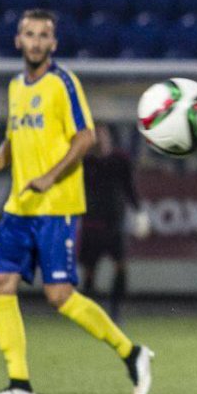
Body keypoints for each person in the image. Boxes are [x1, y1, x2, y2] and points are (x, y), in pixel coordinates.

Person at [0, 9, 153, 394]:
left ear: (53, 44)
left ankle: (131, 352)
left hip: (56, 206)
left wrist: (51, 176)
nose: (36, 41)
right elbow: (13, 140)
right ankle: (19, 382)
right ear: (18, 40)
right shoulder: (15, 87)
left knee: (59, 295)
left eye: (44, 35)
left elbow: (86, 137)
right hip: (19, 206)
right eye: (30, 34)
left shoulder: (63, 83)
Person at [79, 123, 150, 323]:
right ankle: (89, 314)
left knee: (121, 266)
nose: (100, 141)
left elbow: (130, 188)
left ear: (109, 138)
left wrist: (139, 212)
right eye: (96, 136)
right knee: (89, 270)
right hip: (91, 225)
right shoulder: (85, 162)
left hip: (114, 224)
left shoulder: (120, 160)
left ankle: (115, 311)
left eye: (103, 136)